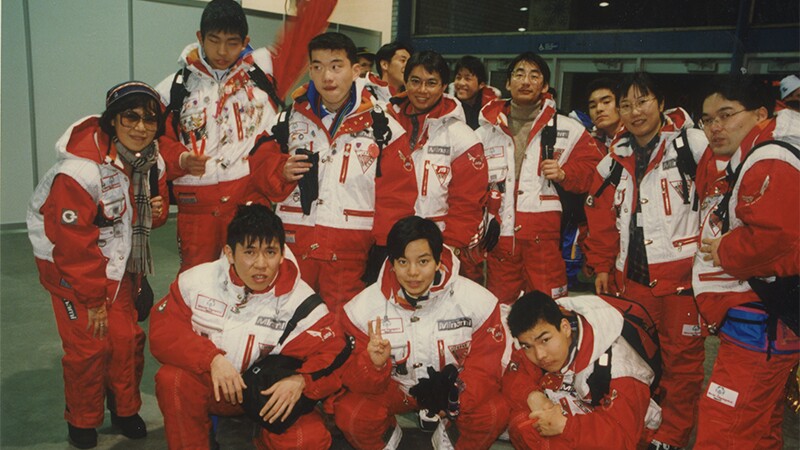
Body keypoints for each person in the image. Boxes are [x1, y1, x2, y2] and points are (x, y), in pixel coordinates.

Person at [27, 81, 170, 448]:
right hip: (72, 273)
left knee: (126, 340)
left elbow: (144, 217)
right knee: (90, 348)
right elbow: (72, 245)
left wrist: (156, 211)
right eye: (130, 117)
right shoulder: (79, 172)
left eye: (150, 120)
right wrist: (92, 300)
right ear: (111, 121)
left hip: (120, 267)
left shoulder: (153, 161)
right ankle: (83, 418)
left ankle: (124, 409)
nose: (140, 127)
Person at [155, 0, 336, 272]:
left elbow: (304, 32)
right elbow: (155, 143)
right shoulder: (174, 88)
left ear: (245, 41)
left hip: (250, 199)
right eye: (213, 41)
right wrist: (180, 159)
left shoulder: (265, 71)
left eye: (232, 42)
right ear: (199, 37)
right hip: (197, 209)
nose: (222, 51)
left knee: (254, 276)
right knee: (196, 283)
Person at [150, 204, 347, 449]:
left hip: (266, 397)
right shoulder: (196, 282)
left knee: (307, 441)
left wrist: (302, 381)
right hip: (214, 388)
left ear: (282, 253)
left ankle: (262, 436)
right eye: (250, 252)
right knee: (173, 379)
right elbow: (164, 333)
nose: (261, 264)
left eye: (271, 252)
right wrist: (212, 359)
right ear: (230, 253)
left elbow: (335, 352)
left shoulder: (302, 304)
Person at [583, 71, 708, 450]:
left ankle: (672, 435)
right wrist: (602, 265)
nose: (634, 111)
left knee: (682, 364)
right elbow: (601, 219)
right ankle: (647, 425)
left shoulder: (692, 145)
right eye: (626, 104)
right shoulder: (613, 159)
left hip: (681, 278)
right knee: (639, 357)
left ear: (660, 102)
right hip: (631, 279)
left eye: (643, 101)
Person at [251, 32, 417, 311]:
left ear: (355, 70)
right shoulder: (286, 120)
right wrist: (281, 170)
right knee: (289, 323)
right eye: (317, 66)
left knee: (343, 330)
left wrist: (382, 250)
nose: (327, 76)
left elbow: (397, 198)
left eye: (336, 66)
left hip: (351, 254)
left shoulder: (384, 127)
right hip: (293, 248)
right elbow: (258, 171)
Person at [334, 216, 509, 449]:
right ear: (392, 263)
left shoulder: (478, 302)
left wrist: (455, 394)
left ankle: (449, 439)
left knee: (493, 411)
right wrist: (372, 364)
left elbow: (486, 367)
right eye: (403, 262)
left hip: (450, 390)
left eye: (423, 261)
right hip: (395, 390)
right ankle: (388, 441)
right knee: (352, 414)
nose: (413, 272)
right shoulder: (362, 309)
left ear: (438, 261)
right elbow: (352, 378)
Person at [692, 75, 800, 449]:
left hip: (762, 319)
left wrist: (725, 250)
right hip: (768, 319)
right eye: (707, 119)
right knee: (760, 420)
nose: (715, 127)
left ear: (760, 113)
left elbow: (775, 238)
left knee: (725, 424)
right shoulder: (760, 153)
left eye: (726, 114)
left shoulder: (770, 157)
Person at [475, 52, 603, 304]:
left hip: (544, 242)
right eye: (519, 74)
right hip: (499, 239)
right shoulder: (484, 132)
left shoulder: (569, 129)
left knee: (551, 311)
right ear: (508, 83)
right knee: (500, 313)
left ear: (544, 86)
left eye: (534, 76)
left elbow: (596, 173)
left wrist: (566, 174)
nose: (526, 81)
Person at [503, 291, 660, 449]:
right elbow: (515, 373)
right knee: (522, 421)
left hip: (620, 432)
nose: (540, 355)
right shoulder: (541, 328)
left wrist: (566, 425)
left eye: (545, 340)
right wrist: (532, 395)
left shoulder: (620, 368)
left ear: (565, 328)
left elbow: (623, 440)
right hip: (579, 410)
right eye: (527, 346)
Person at [387, 50, 488, 283]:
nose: (422, 90)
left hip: (439, 243)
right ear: (405, 81)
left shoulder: (463, 136)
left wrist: (451, 245)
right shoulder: (385, 125)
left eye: (431, 83)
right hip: (390, 240)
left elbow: (468, 201)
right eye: (415, 81)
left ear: (444, 86)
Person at [451, 56, 500, 130]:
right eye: (458, 77)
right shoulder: (447, 104)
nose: (461, 83)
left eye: (467, 79)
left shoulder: (492, 106)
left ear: (481, 84)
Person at [585, 77, 622, 151]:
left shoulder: (637, 138)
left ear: (620, 105)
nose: (599, 109)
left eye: (606, 102)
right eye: (593, 106)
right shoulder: (590, 144)